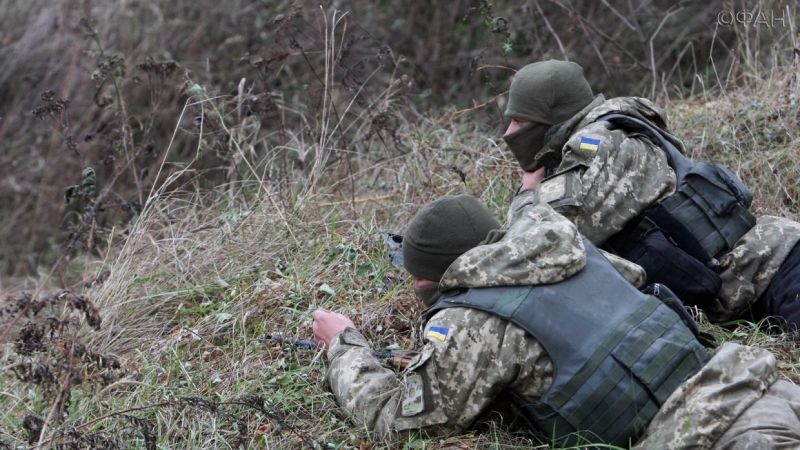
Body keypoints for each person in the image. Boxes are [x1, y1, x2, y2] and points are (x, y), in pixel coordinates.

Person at [312, 194, 800, 448]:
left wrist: (343, 344)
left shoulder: (472, 321)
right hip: (763, 389)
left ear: (432, 279)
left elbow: (401, 421)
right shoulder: (578, 250)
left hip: (709, 436)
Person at [502, 59, 800, 334]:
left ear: (552, 119)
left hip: (778, 268)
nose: (508, 132)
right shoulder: (614, 134)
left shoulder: (600, 146)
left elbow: (537, 243)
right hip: (755, 285)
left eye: (520, 122)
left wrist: (528, 192)